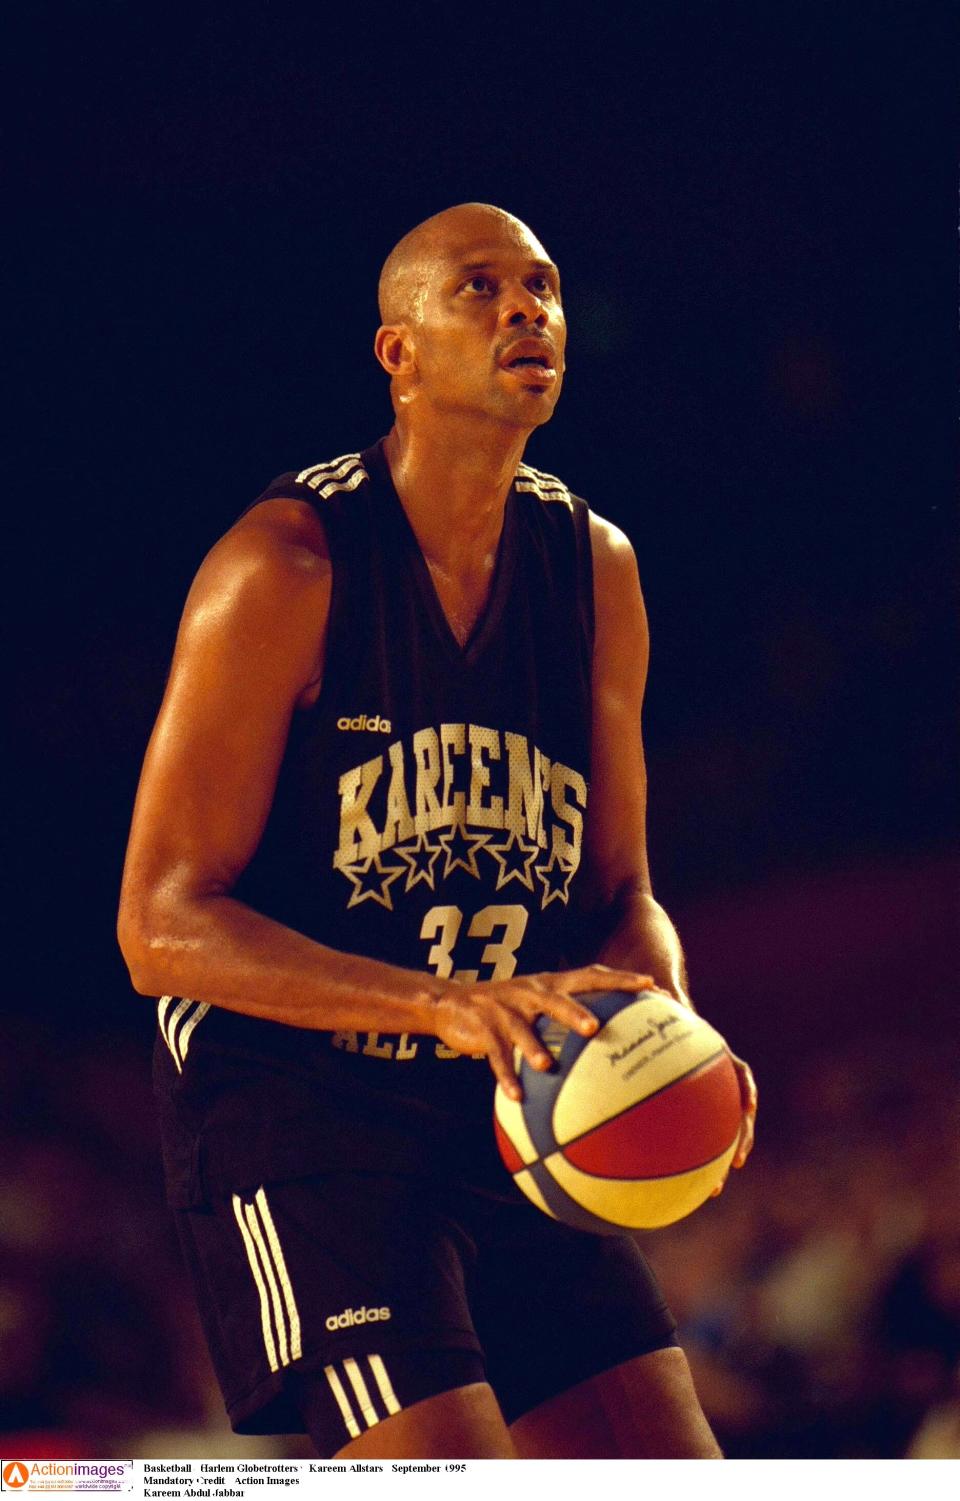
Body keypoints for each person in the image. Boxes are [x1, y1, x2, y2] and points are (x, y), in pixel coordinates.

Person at [118, 202, 757, 1459]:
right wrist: (437, 1003)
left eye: (544, 287)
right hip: (301, 1117)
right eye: (480, 288)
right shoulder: (289, 565)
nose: (528, 310)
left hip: (504, 1100)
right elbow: (159, 925)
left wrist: (673, 1022)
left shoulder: (595, 568)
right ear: (397, 354)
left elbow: (624, 886)